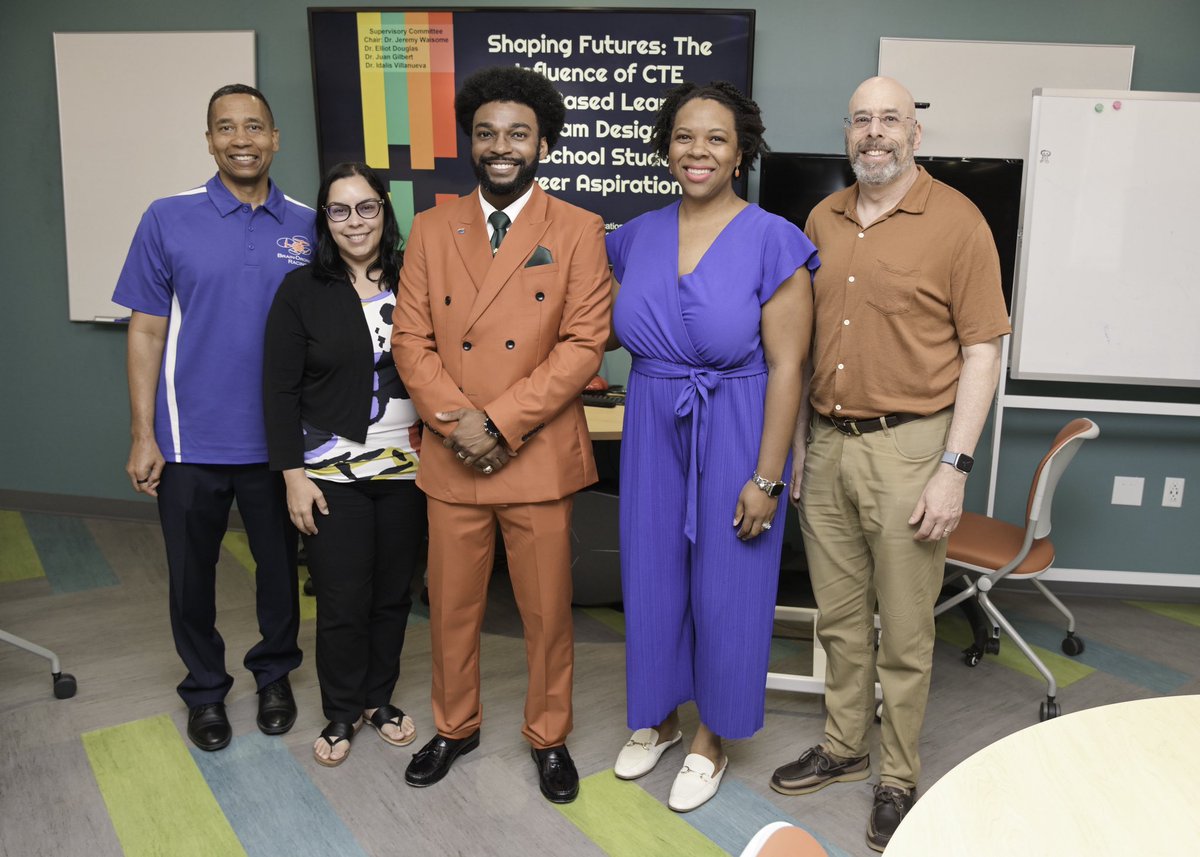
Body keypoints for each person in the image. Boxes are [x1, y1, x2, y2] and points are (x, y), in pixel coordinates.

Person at [769, 76, 1009, 851]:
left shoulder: (959, 222)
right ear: (849, 132)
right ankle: (844, 747)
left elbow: (982, 350)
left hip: (913, 447)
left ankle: (898, 774)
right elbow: (802, 345)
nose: (875, 133)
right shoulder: (821, 217)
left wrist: (954, 467)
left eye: (890, 120)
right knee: (839, 618)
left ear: (916, 133)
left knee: (905, 631)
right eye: (862, 120)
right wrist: (800, 440)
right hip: (830, 443)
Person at [391, 66, 610, 804]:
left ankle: (549, 737)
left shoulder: (577, 228)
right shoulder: (431, 226)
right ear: (471, 143)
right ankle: (455, 726)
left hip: (536, 452)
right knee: (451, 605)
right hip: (456, 456)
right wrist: (461, 425)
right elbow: (410, 341)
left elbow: (585, 344)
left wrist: (502, 423)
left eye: (517, 133)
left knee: (547, 611)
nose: (501, 146)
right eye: (486, 133)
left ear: (542, 141)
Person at [606, 81, 818, 812]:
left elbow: (789, 365)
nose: (698, 151)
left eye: (716, 138)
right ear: (667, 146)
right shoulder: (633, 235)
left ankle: (712, 736)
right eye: (685, 136)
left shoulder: (773, 238)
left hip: (736, 420)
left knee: (730, 583)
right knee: (654, 573)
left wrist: (768, 474)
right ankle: (660, 716)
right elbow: (594, 328)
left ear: (740, 152)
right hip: (654, 417)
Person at [114, 84, 314, 751]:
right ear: (208, 141)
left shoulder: (310, 224)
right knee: (190, 577)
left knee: (281, 572)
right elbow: (145, 332)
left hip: (280, 444)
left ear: (275, 137)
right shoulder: (167, 217)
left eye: (254, 126)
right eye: (225, 127)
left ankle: (275, 673)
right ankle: (204, 688)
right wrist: (144, 434)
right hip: (188, 440)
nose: (241, 139)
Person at [263, 162, 425, 767]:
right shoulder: (301, 291)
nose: (354, 221)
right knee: (341, 598)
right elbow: (278, 391)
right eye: (339, 210)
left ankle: (378, 699)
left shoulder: (419, 279)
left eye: (366, 207)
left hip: (409, 467)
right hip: (330, 473)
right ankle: (340, 710)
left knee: (391, 596)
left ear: (385, 210)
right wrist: (293, 476)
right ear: (324, 220)